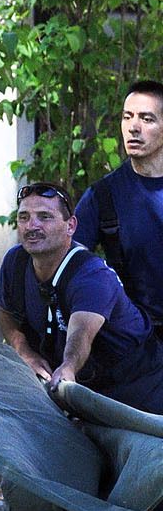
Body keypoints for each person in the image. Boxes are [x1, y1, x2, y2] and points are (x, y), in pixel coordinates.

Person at [0, 182, 163, 413]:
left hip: (141, 386)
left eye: (45, 217)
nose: (32, 226)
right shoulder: (15, 261)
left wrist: (68, 366)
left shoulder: (92, 275)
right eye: (24, 217)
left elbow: (81, 333)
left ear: (71, 226)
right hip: (85, 388)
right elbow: (6, 313)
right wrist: (24, 350)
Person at [74, 80, 163, 333]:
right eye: (127, 117)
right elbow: (69, 265)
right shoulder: (102, 196)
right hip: (133, 339)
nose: (134, 127)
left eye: (146, 119)